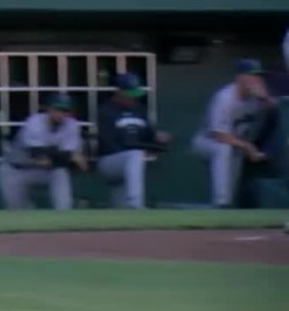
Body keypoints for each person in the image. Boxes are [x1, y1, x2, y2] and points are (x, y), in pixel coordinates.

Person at [191, 59, 278, 207]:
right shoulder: (225, 97)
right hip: (206, 142)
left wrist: (265, 97)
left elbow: (276, 109)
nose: (256, 79)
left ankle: (224, 208)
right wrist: (248, 147)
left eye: (258, 75)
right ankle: (221, 202)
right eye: (251, 75)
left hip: (236, 145)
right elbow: (219, 135)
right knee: (223, 149)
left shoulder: (256, 98)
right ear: (239, 77)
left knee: (231, 186)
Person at [0, 94, 87, 211]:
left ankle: (64, 212)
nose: (61, 114)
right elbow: (40, 156)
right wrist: (68, 156)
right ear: (48, 109)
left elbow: (72, 160)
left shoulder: (72, 125)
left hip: (46, 170)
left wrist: (69, 157)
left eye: (65, 110)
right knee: (18, 212)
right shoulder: (35, 122)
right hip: (14, 170)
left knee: (60, 172)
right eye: (58, 109)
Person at [95, 74, 170, 209]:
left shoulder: (139, 110)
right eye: (129, 94)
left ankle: (129, 209)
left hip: (131, 163)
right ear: (118, 92)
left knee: (120, 211)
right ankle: (136, 203)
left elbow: (148, 134)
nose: (133, 98)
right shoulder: (106, 111)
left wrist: (157, 137)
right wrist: (137, 150)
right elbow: (108, 144)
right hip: (109, 162)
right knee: (135, 155)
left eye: (135, 94)